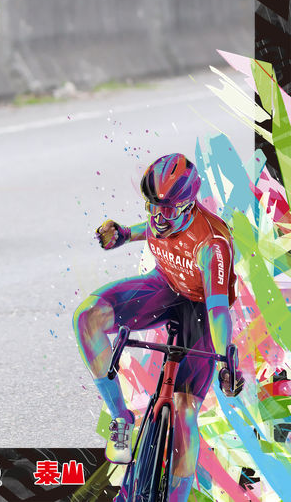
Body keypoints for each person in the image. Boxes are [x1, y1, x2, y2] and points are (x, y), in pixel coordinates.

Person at [74, 153, 245, 502]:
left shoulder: (212, 245)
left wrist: (227, 360)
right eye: (152, 206)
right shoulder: (164, 214)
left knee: (184, 412)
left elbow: (217, 310)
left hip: (202, 310)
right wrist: (124, 235)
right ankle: (121, 418)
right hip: (164, 287)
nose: (158, 217)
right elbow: (151, 228)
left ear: (189, 205)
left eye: (167, 210)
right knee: (87, 317)